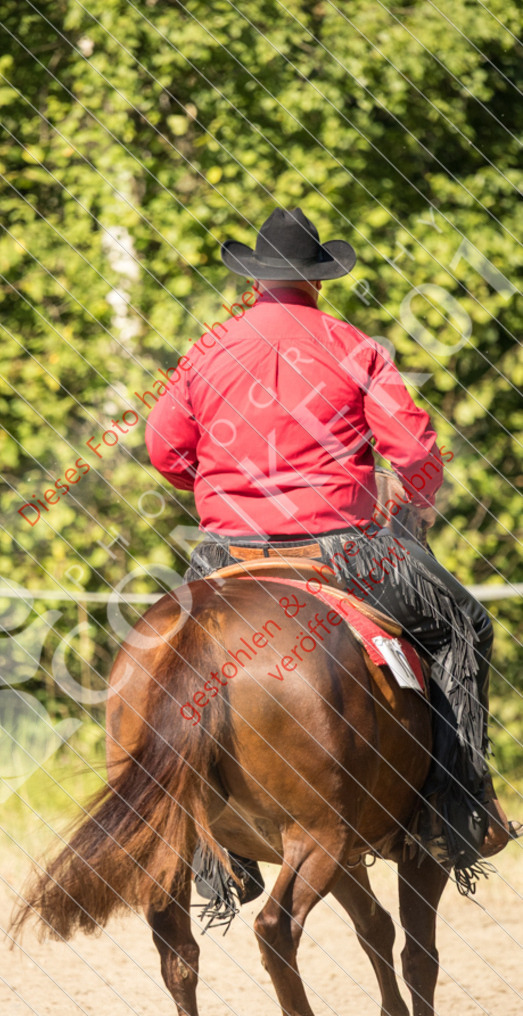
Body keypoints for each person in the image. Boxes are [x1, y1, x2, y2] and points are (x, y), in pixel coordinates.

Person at [145, 206, 519, 895]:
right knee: (465, 624)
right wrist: (408, 500)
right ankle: (460, 804)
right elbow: (411, 450)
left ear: (252, 279)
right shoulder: (353, 346)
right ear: (319, 279)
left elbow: (163, 449)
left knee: (160, 656)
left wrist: (224, 487)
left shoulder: (207, 349)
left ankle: (200, 844)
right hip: (342, 551)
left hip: (222, 556)